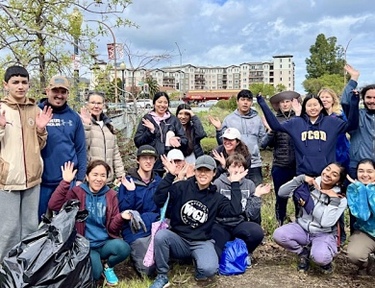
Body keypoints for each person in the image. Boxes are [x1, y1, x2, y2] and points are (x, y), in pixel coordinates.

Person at [149, 155, 244, 288]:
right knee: (161, 236)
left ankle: (198, 264)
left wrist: (234, 183)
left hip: (201, 242)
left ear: (214, 173)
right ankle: (162, 275)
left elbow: (235, 210)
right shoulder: (181, 187)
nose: (203, 174)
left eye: (207, 171)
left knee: (209, 270)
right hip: (178, 238)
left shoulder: (216, 198)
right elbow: (158, 200)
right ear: (195, 171)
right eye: (200, 170)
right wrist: (170, 176)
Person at [48, 160, 131, 285]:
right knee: (95, 274)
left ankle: (108, 267)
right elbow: (53, 205)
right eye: (95, 174)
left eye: (103, 175)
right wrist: (65, 183)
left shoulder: (111, 195)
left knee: (124, 248)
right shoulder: (77, 192)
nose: (99, 179)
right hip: (85, 245)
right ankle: (97, 267)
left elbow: (113, 229)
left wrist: (120, 217)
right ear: (87, 176)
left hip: (103, 243)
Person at [0, 65, 52, 261]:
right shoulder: (1, 109)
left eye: (24, 82)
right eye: (15, 82)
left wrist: (40, 130)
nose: (20, 86)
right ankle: (5, 271)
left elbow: (39, 145)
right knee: (8, 229)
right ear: (6, 85)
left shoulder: (35, 109)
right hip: (7, 180)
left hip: (32, 179)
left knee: (30, 226)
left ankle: (25, 269)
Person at [257, 92, 359, 177]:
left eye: (315, 105)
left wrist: (354, 102)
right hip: (304, 175)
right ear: (304, 108)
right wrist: (262, 103)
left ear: (320, 107)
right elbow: (276, 126)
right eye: (309, 105)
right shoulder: (296, 122)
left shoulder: (332, 122)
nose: (312, 108)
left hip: (326, 175)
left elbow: (352, 125)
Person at [273, 162, 347, 274]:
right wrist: (300, 179)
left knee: (320, 257)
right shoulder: (308, 185)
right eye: (327, 169)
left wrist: (333, 201)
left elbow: (326, 222)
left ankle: (324, 259)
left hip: (323, 233)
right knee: (279, 235)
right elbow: (282, 193)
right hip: (302, 228)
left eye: (334, 174)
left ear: (338, 181)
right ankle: (303, 252)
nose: (328, 174)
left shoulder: (340, 199)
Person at [38, 75, 87, 219]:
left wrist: (80, 178)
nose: (59, 95)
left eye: (63, 91)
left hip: (68, 181)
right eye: (55, 90)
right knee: (41, 224)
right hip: (42, 182)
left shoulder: (73, 117)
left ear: (68, 94)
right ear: (47, 91)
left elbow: (81, 149)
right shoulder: (36, 112)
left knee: (66, 224)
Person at [212, 153, 269, 266]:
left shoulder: (249, 184)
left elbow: (251, 214)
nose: (237, 170)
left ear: (245, 169)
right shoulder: (219, 183)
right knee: (218, 258)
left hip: (239, 223)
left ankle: (246, 253)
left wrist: (257, 195)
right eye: (233, 166)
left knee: (256, 232)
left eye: (240, 167)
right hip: (221, 223)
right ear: (227, 168)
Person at [117, 145, 162, 276]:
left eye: (151, 158)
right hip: (135, 230)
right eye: (144, 158)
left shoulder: (158, 182)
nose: (148, 161)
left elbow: (163, 207)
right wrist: (131, 192)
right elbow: (124, 212)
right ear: (138, 160)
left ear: (155, 161)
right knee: (148, 270)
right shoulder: (128, 181)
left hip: (155, 226)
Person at [209, 89, 266, 186]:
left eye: (248, 100)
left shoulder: (257, 119)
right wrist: (219, 129)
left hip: (254, 163)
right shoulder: (229, 119)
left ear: (251, 102)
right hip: (235, 164)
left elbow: (263, 141)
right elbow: (223, 143)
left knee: (255, 192)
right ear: (237, 101)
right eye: (242, 99)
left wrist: (270, 131)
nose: (245, 103)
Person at [261, 91, 300, 226]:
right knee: (280, 196)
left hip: (298, 165)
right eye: (282, 102)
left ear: (292, 103)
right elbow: (264, 144)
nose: (285, 104)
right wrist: (271, 130)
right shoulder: (274, 120)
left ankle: (300, 223)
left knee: (299, 197)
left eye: (287, 101)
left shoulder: (300, 119)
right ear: (278, 105)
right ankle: (280, 222)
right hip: (280, 165)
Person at [134, 92, 187, 176]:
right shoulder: (147, 119)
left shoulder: (173, 120)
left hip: (170, 164)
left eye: (165, 102)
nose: (162, 105)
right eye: (159, 102)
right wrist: (150, 131)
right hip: (151, 164)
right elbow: (138, 142)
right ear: (154, 103)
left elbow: (185, 140)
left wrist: (178, 140)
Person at [80, 91, 124, 184]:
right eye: (93, 103)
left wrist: (120, 173)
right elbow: (82, 147)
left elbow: (115, 152)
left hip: (107, 178)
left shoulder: (108, 125)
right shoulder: (82, 123)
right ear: (87, 104)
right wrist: (86, 126)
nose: (96, 106)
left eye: (99, 103)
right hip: (91, 179)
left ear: (103, 105)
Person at [346, 159, 375, 275]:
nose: (365, 175)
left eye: (370, 171)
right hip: (366, 232)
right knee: (354, 255)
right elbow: (364, 216)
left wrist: (370, 191)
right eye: (361, 171)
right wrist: (363, 190)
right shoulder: (353, 189)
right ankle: (367, 264)